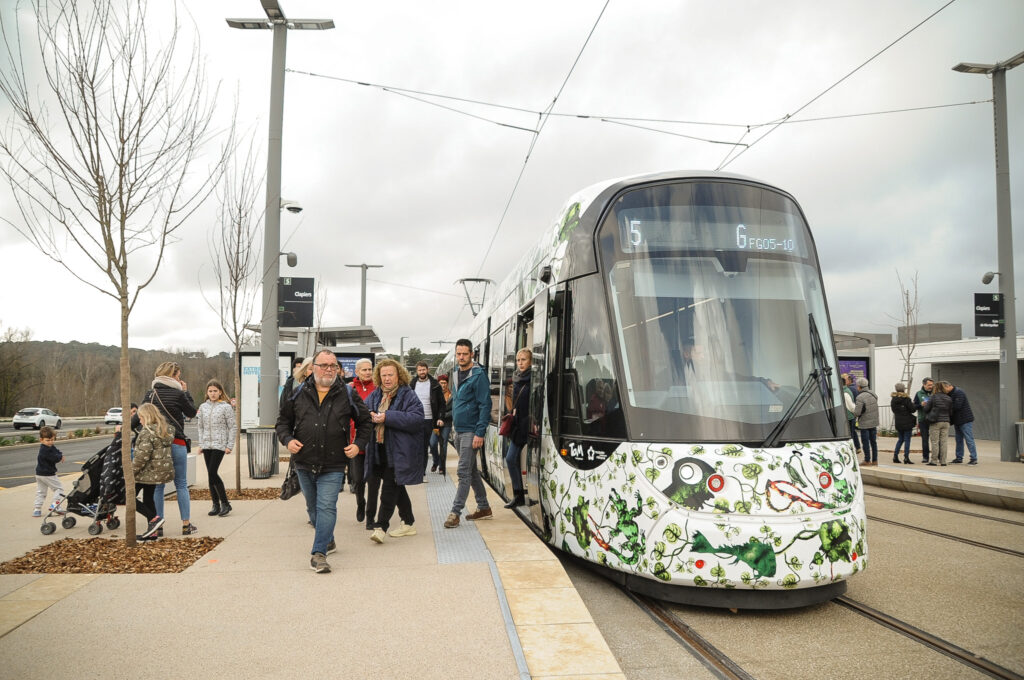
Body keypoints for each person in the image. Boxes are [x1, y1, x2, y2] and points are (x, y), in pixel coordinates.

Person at [276, 349, 372, 574]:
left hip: (334, 463)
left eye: (333, 366)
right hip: (304, 462)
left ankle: (319, 554)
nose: (329, 370)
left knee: (326, 506)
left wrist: (358, 444)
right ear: (313, 368)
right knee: (313, 508)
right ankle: (328, 539)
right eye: (324, 365)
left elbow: (365, 422)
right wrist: (288, 440)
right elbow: (282, 422)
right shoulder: (298, 393)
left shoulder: (347, 393)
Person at [363, 359, 424, 543]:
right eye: (384, 375)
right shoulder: (375, 395)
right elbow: (362, 410)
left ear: (399, 376)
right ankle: (409, 522)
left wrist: (387, 417)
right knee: (397, 485)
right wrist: (369, 414)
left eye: (390, 375)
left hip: (399, 452)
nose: (387, 378)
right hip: (379, 450)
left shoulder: (408, 394)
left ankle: (381, 527)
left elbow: (417, 418)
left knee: (389, 489)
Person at [143, 361, 198, 535]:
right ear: (173, 376)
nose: (180, 379)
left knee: (159, 486)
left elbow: (141, 416)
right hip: (177, 442)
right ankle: (186, 525)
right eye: (178, 376)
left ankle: (158, 526)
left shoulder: (150, 395)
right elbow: (191, 412)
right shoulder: (179, 394)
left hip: (158, 446)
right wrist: (186, 392)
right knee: (181, 484)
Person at [444, 339, 493, 528]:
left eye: (465, 354)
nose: (461, 357)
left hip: (471, 431)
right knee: (471, 471)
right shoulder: (456, 373)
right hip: (459, 430)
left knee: (463, 472)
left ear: (472, 354)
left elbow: (485, 405)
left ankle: (455, 513)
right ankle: (484, 507)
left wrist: (480, 433)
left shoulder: (478, 375)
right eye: (459, 354)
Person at [133, 403, 174, 541]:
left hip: (146, 472)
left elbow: (142, 457)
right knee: (148, 499)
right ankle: (153, 532)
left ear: (147, 417)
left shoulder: (147, 433)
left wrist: (131, 472)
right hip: (156, 472)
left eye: (140, 417)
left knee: (127, 497)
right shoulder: (164, 429)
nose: (139, 421)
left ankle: (154, 519)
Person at [197, 379, 236, 517]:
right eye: (210, 391)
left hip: (220, 444)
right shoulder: (203, 407)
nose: (212, 393)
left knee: (213, 472)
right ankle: (215, 504)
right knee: (210, 474)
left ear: (220, 392)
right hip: (207, 444)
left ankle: (225, 503)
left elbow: (232, 427)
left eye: (215, 391)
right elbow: (200, 427)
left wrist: (229, 445)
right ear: (207, 393)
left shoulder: (226, 407)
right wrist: (201, 444)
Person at [503, 348, 532, 509]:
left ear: (531, 361)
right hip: (518, 425)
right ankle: (518, 495)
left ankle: (525, 494)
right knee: (510, 458)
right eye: (518, 360)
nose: (520, 363)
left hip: (530, 425)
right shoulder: (516, 378)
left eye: (524, 360)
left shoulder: (534, 379)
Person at [349, 358, 376, 526]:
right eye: (364, 370)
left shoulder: (378, 388)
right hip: (356, 442)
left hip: (374, 442)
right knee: (358, 480)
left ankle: (370, 516)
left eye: (369, 369)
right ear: (357, 372)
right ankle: (360, 502)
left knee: (373, 481)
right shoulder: (350, 389)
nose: (367, 372)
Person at [411, 361, 445, 479]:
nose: (422, 372)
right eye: (420, 370)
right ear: (417, 371)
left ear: (427, 370)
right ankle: (416, 469)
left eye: (423, 370)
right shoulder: (412, 384)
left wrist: (440, 418)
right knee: (415, 446)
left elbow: (442, 403)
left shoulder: (435, 385)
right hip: (415, 420)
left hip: (429, 420)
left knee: (425, 446)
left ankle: (422, 472)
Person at [33, 425, 65, 517]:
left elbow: (57, 451)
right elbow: (54, 458)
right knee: (59, 489)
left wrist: (60, 455)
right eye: (48, 440)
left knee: (41, 491)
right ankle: (55, 506)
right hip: (48, 474)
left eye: (52, 440)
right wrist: (60, 457)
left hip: (39, 474)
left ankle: (37, 509)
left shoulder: (49, 447)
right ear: (41, 440)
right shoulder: (45, 451)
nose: (50, 442)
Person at [947, 382, 978, 465]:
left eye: (944, 388)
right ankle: (959, 458)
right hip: (958, 420)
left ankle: (974, 458)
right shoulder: (950, 393)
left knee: (969, 439)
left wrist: (947, 407)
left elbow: (957, 406)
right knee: (958, 440)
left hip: (965, 420)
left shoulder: (958, 392)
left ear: (949, 386)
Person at [923, 381, 953, 466]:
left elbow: (926, 409)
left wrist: (925, 405)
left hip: (935, 421)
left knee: (935, 442)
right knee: (944, 442)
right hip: (946, 422)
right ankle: (943, 461)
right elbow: (951, 412)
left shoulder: (933, 397)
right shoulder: (948, 398)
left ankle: (934, 461)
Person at [429, 374, 453, 475]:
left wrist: (442, 416)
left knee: (443, 445)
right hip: (435, 424)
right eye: (441, 383)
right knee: (432, 443)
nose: (443, 385)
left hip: (446, 424)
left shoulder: (452, 395)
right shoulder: (434, 393)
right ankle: (436, 461)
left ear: (447, 384)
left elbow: (454, 410)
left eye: (445, 383)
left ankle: (442, 467)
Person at [853, 377, 879, 465]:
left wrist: (853, 413)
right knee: (873, 442)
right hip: (874, 422)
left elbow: (857, 412)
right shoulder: (873, 394)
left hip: (864, 423)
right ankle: (875, 460)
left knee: (865, 442)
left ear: (859, 386)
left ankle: (867, 460)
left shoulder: (860, 397)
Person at [890, 382, 917, 464]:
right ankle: (906, 457)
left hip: (898, 422)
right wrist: (913, 404)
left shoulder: (893, 399)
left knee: (900, 439)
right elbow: (913, 409)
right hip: (907, 422)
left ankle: (895, 456)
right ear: (903, 389)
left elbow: (894, 410)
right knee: (907, 440)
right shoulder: (906, 399)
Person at [841, 374, 863, 459]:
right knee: (852, 433)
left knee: (850, 435)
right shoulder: (847, 390)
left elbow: (851, 405)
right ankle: (857, 447)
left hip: (849, 416)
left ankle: (851, 450)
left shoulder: (845, 392)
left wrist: (855, 412)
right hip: (850, 416)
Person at [913, 378, 935, 464]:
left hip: (934, 419)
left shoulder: (935, 392)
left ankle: (936, 456)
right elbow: (914, 406)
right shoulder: (918, 394)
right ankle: (925, 457)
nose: (931, 386)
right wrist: (920, 405)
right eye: (929, 385)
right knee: (925, 439)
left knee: (935, 439)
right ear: (924, 385)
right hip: (923, 419)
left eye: (932, 385)